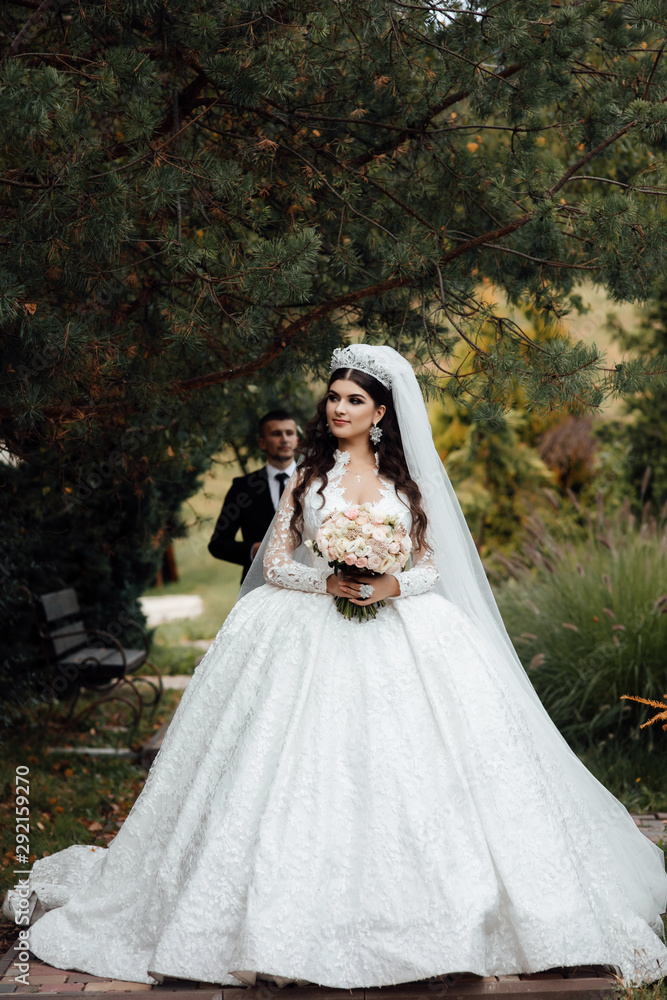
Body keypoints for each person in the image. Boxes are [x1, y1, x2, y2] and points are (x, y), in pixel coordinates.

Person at [5, 345, 667, 991]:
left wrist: (389, 587)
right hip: (307, 627)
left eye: (354, 399)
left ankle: (444, 922)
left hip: (401, 631)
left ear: (382, 411)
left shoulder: (406, 484)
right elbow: (275, 562)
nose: (339, 408)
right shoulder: (308, 476)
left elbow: (431, 566)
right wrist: (322, 584)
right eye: (333, 396)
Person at [208, 409, 298, 582]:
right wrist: (254, 550)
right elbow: (217, 544)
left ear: (297, 440)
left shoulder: (315, 481)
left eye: (289, 433)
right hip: (257, 586)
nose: (284, 439)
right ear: (262, 443)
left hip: (307, 588)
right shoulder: (242, 487)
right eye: (276, 434)